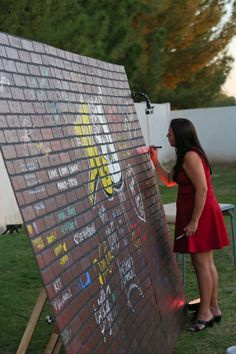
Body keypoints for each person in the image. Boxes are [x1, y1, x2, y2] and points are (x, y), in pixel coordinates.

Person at [149, 118, 230, 332]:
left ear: (180, 134)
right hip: (198, 213)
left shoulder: (191, 156)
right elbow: (168, 180)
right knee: (207, 263)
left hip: (200, 214)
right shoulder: (184, 156)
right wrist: (155, 161)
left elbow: (202, 189)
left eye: (170, 133)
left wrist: (194, 221)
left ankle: (205, 313)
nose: (167, 136)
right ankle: (213, 308)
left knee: (201, 264)